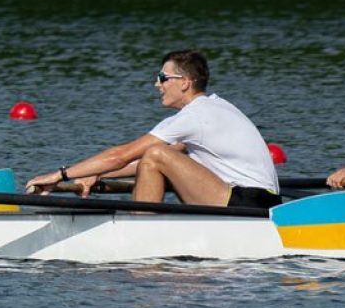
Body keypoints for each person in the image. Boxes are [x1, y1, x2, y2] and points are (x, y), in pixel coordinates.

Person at [26, 50, 278, 207]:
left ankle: (140, 231)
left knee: (157, 153)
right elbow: (141, 163)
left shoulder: (195, 116)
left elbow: (120, 156)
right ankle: (142, 222)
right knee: (157, 157)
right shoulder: (215, 107)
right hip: (256, 199)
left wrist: (60, 175)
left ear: (185, 83)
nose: (156, 84)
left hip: (248, 203)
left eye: (162, 78)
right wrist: (96, 175)